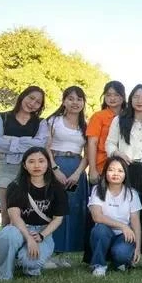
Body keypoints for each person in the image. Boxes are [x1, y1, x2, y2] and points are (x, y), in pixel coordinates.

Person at [0, 147, 68, 280]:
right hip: (19, 228)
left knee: (31, 262)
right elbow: (14, 216)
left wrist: (41, 235)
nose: (37, 165)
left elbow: (58, 219)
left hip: (43, 231)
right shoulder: (15, 186)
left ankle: (28, 264)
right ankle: (4, 275)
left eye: (41, 161)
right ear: (24, 165)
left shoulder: (57, 188)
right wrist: (28, 237)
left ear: (48, 164)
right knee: (7, 234)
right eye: (31, 161)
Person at [105, 84, 142, 233]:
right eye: (136, 97)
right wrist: (118, 154)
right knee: (124, 201)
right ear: (130, 100)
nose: (140, 100)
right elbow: (110, 143)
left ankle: (141, 241)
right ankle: (120, 235)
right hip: (124, 166)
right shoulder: (120, 120)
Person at [42, 86, 89, 268]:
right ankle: (49, 252)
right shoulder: (53, 121)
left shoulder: (85, 125)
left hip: (76, 169)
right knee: (54, 209)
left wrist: (77, 173)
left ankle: (64, 254)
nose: (75, 102)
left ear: (83, 102)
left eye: (79, 99)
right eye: (70, 98)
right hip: (55, 166)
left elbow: (87, 154)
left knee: (73, 211)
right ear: (63, 101)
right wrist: (55, 169)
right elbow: (46, 147)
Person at [0, 86, 49, 226]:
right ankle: (5, 245)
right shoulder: (2, 117)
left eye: (38, 102)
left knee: (25, 213)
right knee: (7, 213)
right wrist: (27, 142)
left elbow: (39, 145)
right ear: (23, 96)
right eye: (31, 98)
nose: (32, 103)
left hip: (30, 171)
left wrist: (9, 140)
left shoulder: (41, 122)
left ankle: (23, 245)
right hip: (6, 168)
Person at [88, 157, 142, 277]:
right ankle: (99, 265)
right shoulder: (98, 190)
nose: (115, 174)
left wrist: (138, 248)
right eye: (111, 170)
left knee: (121, 254)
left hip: (123, 235)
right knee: (100, 229)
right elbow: (97, 217)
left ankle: (119, 262)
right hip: (105, 232)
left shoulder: (131, 194)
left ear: (125, 174)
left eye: (120, 171)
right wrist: (123, 225)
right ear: (105, 172)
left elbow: (135, 223)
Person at [86, 81, 126, 185]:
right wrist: (93, 169)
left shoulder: (128, 117)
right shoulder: (98, 116)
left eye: (116, 95)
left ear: (123, 97)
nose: (112, 98)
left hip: (124, 169)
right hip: (101, 168)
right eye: (108, 95)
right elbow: (92, 143)